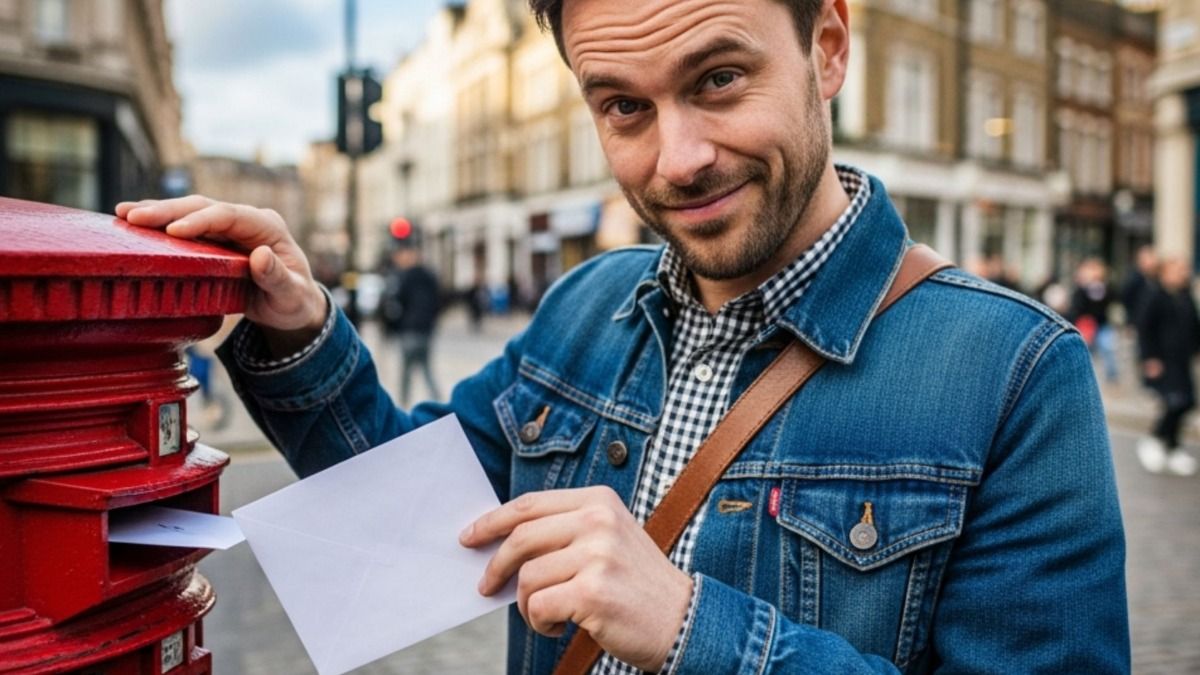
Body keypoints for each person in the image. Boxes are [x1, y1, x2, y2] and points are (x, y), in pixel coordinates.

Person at [114, 0, 1129, 672]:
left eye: (720, 79)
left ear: (827, 46)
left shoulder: (1016, 373)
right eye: (622, 106)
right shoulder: (584, 306)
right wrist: (297, 327)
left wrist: (696, 629)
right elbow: (414, 517)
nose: (677, 158)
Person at [1135, 257, 1200, 476]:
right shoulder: (1155, 296)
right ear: (1165, 273)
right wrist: (1149, 358)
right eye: (1178, 270)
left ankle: (1173, 446)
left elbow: (1194, 326)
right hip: (1163, 361)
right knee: (1173, 402)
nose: (1183, 274)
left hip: (1182, 360)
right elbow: (1144, 329)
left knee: (1187, 402)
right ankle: (1154, 440)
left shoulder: (1185, 295)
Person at [381, 243, 443, 405]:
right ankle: (438, 401)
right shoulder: (430, 276)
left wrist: (393, 327)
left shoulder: (404, 277)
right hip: (425, 330)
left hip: (409, 329)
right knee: (426, 368)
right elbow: (438, 302)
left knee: (406, 372)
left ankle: (403, 404)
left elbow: (397, 303)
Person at [1069, 257, 1120, 383]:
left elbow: (1113, 300)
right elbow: (1077, 306)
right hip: (1087, 325)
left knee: (1108, 348)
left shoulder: (1105, 288)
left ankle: (1112, 377)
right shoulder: (1082, 289)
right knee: (1086, 351)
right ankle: (1082, 376)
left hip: (1103, 324)